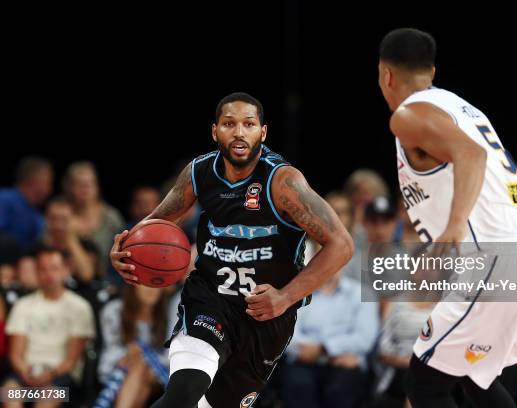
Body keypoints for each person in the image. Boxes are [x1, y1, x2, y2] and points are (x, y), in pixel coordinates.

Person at [110, 92, 353, 408]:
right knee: (182, 395)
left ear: (262, 133)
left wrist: (284, 297)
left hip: (266, 317)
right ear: (215, 132)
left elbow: (342, 245)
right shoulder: (199, 173)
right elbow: (153, 226)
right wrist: (125, 250)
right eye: (229, 124)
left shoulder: (283, 182)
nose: (239, 132)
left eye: (248, 124)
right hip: (211, 301)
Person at [378, 28, 517, 407]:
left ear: (385, 75)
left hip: (498, 260)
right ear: (432, 71)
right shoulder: (462, 108)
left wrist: (455, 227)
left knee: (425, 383)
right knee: (471, 378)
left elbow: (471, 156)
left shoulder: (408, 116)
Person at [2, 246, 95, 408]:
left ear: (66, 270)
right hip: (26, 376)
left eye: (54, 268)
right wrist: (26, 372)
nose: (49, 275)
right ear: (37, 272)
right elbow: (15, 354)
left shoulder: (79, 307)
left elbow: (71, 361)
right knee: (8, 392)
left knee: (46, 398)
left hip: (63, 380)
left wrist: (49, 375)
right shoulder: (23, 305)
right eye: (43, 269)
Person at [281, 266, 379, 408]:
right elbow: (289, 334)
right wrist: (317, 351)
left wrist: (325, 348)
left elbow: (364, 338)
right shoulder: (299, 293)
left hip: (345, 362)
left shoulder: (362, 294)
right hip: (304, 360)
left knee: (341, 389)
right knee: (298, 386)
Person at [63, 161, 125, 273]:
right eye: (79, 184)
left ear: (97, 187)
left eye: (90, 183)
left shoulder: (111, 217)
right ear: (69, 187)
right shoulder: (62, 215)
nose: (85, 188)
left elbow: (124, 251)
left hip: (108, 279)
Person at [0, 156, 53, 248]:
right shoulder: (4, 199)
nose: (50, 188)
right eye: (48, 182)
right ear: (35, 181)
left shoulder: (37, 215)